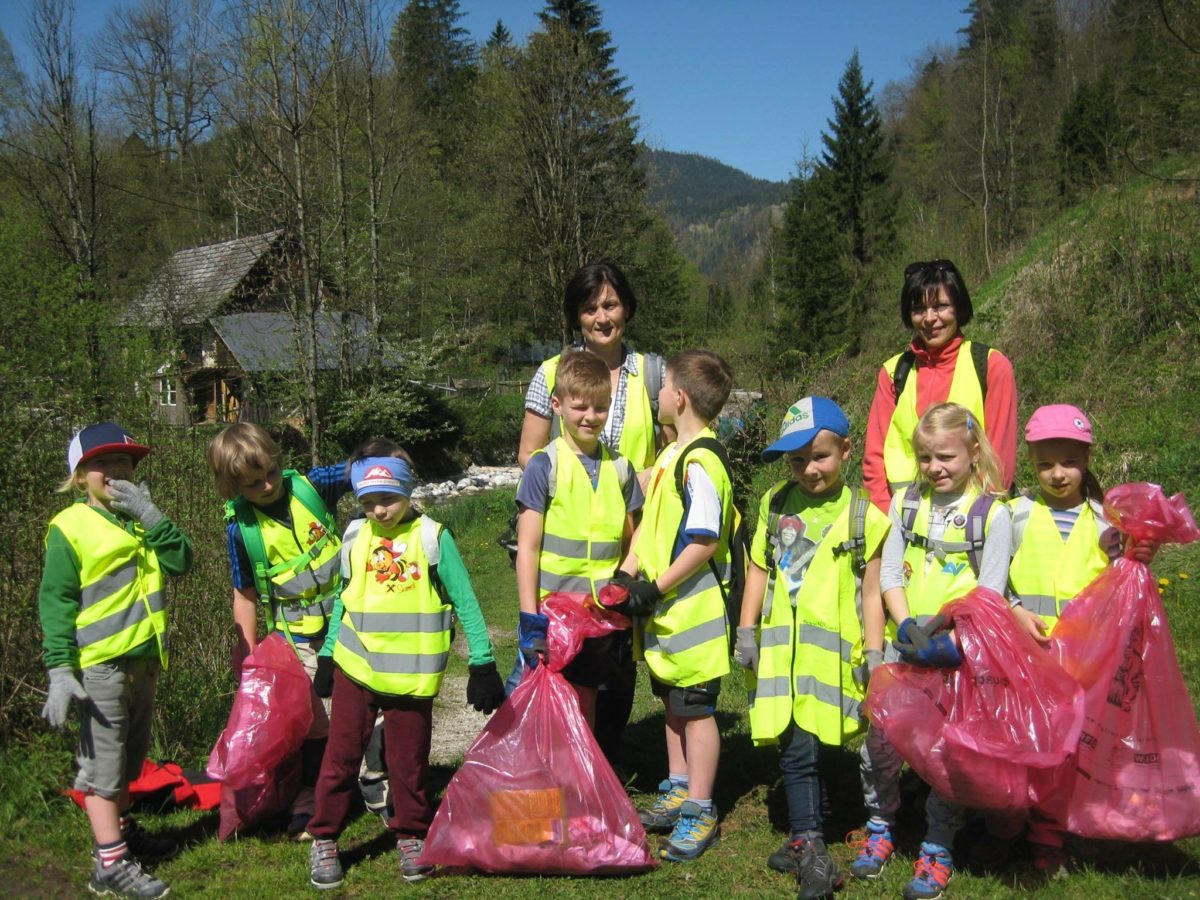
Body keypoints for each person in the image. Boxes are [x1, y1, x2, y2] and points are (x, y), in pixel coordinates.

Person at [306, 440, 504, 890]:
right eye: (369, 502)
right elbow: (344, 600)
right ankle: (325, 837)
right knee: (340, 759)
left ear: (409, 492)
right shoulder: (355, 536)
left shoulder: (433, 538)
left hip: (412, 678)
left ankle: (412, 833)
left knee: (408, 764)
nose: (378, 511)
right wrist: (328, 654)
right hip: (357, 668)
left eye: (388, 499)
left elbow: (467, 602)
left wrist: (483, 661)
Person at [849, 402, 1012, 900]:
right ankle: (880, 828)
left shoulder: (993, 514)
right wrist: (905, 626)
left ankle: (937, 848)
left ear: (973, 452)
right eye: (925, 458)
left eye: (945, 457)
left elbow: (989, 594)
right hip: (907, 650)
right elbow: (891, 573)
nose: (935, 468)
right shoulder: (907, 504)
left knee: (947, 757)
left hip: (957, 659)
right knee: (880, 747)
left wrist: (949, 643)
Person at [733, 397, 890, 898]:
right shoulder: (776, 502)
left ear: (846, 450)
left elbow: (871, 590)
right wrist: (746, 629)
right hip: (782, 653)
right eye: (797, 460)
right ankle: (809, 841)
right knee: (796, 748)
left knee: (821, 745)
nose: (808, 469)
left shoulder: (864, 515)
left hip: (831, 659)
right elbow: (758, 566)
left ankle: (812, 832)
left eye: (819, 456)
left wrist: (875, 651)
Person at [515, 261, 665, 768]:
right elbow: (529, 455)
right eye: (589, 307)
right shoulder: (550, 371)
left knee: (617, 671)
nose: (601, 316)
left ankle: (604, 768)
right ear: (576, 316)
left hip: (630, 544)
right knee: (558, 677)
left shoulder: (653, 373)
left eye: (610, 304)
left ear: (627, 308)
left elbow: (674, 448)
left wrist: (639, 485)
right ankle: (561, 771)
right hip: (566, 549)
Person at [998, 404, 1154, 878]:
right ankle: (1002, 823)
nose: (1057, 474)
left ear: (1086, 460)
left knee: (1067, 752)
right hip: (1026, 654)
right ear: (1030, 462)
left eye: (1068, 462)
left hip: (1084, 662)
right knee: (1018, 741)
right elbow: (992, 577)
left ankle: (1048, 837)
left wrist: (1140, 553)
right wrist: (1014, 609)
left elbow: (1125, 584)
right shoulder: (1015, 515)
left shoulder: (1108, 524)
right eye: (1045, 464)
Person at [39, 423, 193, 899]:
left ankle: (121, 833)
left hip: (144, 660)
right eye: (102, 464)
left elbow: (182, 561)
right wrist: (60, 669)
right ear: (80, 475)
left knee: (128, 760)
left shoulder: (138, 520)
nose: (116, 471)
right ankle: (109, 863)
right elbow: (56, 602)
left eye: (125, 463)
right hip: (99, 668)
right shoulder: (70, 528)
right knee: (102, 769)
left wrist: (152, 515)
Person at [607, 349, 735, 863]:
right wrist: (626, 574)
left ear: (678, 398)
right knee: (671, 701)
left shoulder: (701, 461)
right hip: (667, 617)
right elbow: (651, 530)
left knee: (696, 711)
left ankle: (701, 807)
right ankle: (678, 786)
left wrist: (655, 587)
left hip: (694, 614)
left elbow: (702, 541)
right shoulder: (667, 458)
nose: (656, 395)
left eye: (662, 389)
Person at [207, 422, 348, 839]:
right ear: (233, 488)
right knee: (315, 723)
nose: (267, 485)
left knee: (361, 705)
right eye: (252, 484)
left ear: (278, 460)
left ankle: (370, 780)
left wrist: (386, 461)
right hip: (297, 638)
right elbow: (245, 593)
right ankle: (308, 801)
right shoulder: (241, 530)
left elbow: (360, 469)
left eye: (270, 472)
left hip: (352, 622)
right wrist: (246, 648)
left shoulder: (311, 485)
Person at [514, 350, 644, 728]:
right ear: (556, 405)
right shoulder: (544, 465)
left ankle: (578, 781)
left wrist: (624, 581)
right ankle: (549, 781)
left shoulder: (620, 468)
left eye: (601, 407)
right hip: (552, 612)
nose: (591, 416)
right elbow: (528, 547)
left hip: (599, 613)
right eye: (580, 406)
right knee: (547, 699)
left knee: (585, 698)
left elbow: (632, 537)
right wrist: (528, 618)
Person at [863, 259, 1017, 513]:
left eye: (941, 306)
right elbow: (874, 460)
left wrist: (976, 523)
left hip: (969, 527)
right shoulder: (893, 373)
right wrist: (885, 529)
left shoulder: (991, 366)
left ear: (959, 306)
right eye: (919, 309)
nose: (930, 318)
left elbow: (1000, 459)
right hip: (903, 528)